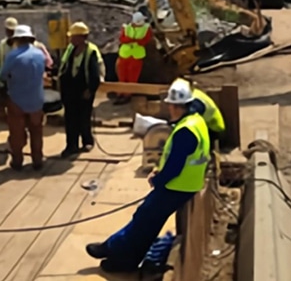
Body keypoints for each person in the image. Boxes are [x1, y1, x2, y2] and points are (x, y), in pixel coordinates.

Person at [85, 79, 211, 273]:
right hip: (185, 184)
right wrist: (161, 172)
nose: (169, 109)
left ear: (177, 106)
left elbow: (175, 167)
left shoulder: (185, 131)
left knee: (145, 220)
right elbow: (179, 160)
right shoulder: (195, 121)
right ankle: (113, 248)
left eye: (171, 105)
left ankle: (119, 257)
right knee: (145, 218)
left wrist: (158, 180)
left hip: (177, 186)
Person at [0, 25, 46, 171]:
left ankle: (17, 161)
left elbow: (3, 75)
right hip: (36, 98)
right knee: (36, 131)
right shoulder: (40, 54)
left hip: (17, 98)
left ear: (17, 39)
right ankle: (37, 160)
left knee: (17, 132)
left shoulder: (13, 56)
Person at [57, 22, 103, 157]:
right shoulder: (71, 49)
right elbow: (64, 66)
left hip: (84, 89)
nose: (71, 39)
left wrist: (91, 89)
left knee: (84, 117)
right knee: (70, 118)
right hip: (70, 89)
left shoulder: (91, 51)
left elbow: (95, 73)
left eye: (74, 37)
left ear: (82, 37)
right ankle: (71, 145)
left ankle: (87, 141)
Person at [115, 11, 153, 104]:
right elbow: (122, 39)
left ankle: (128, 94)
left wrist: (137, 41)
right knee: (122, 75)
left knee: (132, 76)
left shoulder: (146, 28)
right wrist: (130, 40)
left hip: (136, 55)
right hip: (125, 54)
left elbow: (146, 39)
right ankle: (120, 93)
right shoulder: (126, 28)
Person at [183, 79, 226, 147]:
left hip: (214, 129)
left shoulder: (195, 99)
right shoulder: (194, 92)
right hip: (210, 126)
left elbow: (191, 117)